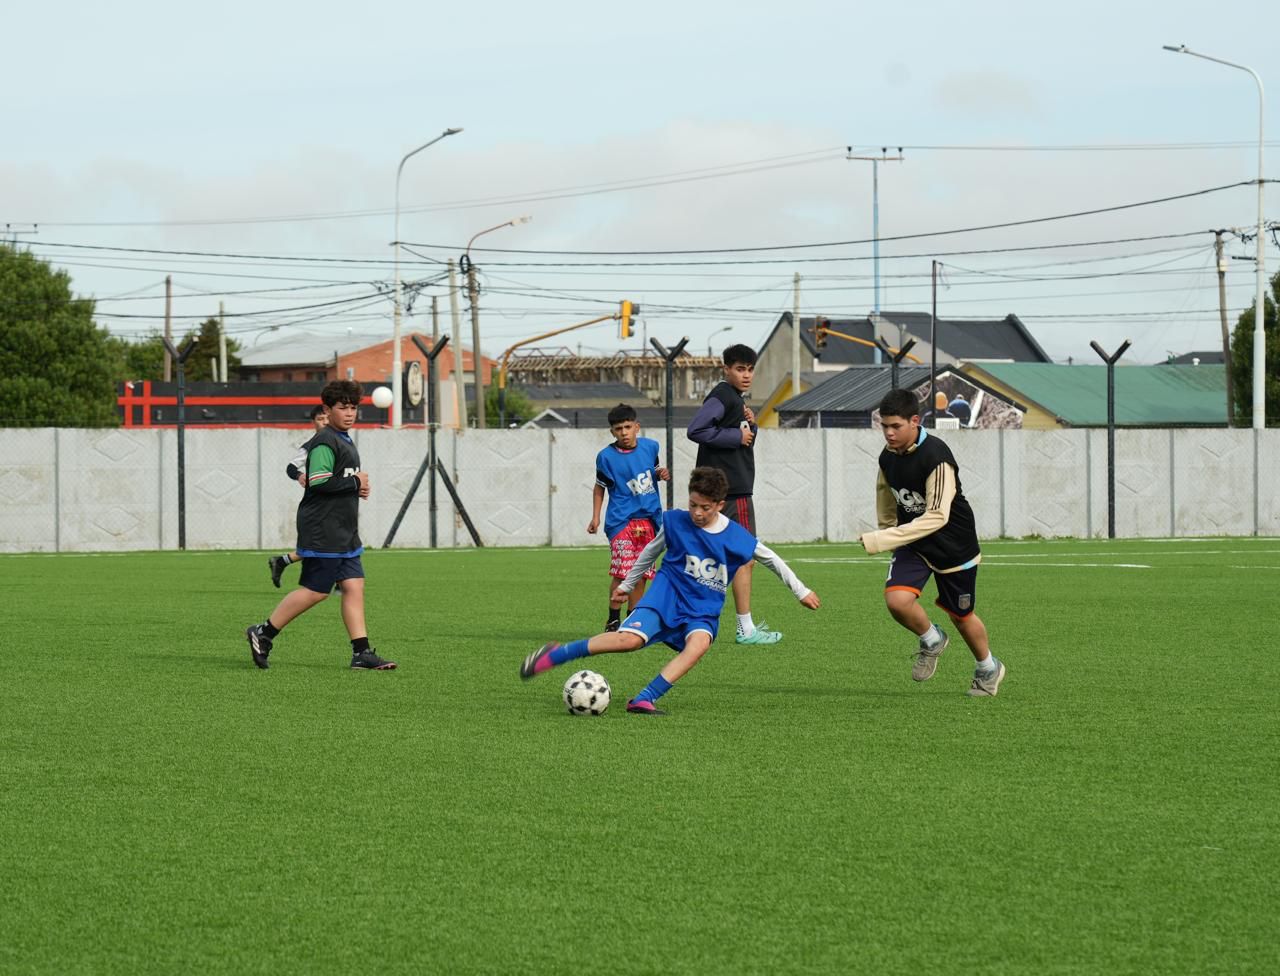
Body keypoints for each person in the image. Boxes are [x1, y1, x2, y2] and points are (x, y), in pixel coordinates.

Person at [520, 467, 820, 714]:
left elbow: (771, 559)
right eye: (693, 505)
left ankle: (644, 698)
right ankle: (558, 654)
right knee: (628, 641)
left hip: (702, 608)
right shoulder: (676, 521)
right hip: (666, 596)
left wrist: (801, 591)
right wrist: (627, 585)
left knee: (699, 645)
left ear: (719, 504)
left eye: (705, 507)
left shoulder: (736, 536)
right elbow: (650, 551)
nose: (697, 513)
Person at [858, 388, 1006, 697]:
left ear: (915, 421)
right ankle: (931, 640)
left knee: (961, 617)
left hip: (954, 547)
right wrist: (888, 531)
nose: (888, 432)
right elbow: (885, 495)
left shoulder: (936, 457)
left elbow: (938, 515)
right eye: (884, 425)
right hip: (914, 543)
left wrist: (883, 538)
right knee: (897, 601)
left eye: (895, 426)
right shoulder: (887, 456)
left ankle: (988, 668)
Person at [244, 380, 396, 671]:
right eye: (342, 408)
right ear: (328, 410)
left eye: (353, 408)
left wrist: (357, 488)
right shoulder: (326, 440)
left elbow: (340, 480)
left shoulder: (345, 439)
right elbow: (318, 481)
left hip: (343, 529)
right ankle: (263, 633)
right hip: (323, 527)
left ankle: (361, 653)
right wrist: (354, 482)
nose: (349, 413)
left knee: (353, 586)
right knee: (316, 591)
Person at [686, 343, 778, 645]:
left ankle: (679, 619)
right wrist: (737, 434)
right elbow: (696, 430)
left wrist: (748, 426)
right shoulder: (723, 396)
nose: (747, 374)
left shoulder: (734, 399)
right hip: (732, 491)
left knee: (698, 555)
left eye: (750, 369)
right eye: (740, 368)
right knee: (745, 558)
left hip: (724, 489)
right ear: (726, 369)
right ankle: (746, 629)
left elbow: (743, 438)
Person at [587, 403, 669, 631]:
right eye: (618, 429)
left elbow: (652, 473)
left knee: (641, 573)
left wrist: (660, 473)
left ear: (637, 427)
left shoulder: (651, 447)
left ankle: (632, 620)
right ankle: (613, 617)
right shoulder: (606, 457)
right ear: (612, 432)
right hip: (621, 521)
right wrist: (595, 517)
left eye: (627, 427)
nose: (623, 433)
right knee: (623, 571)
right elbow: (599, 487)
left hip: (650, 519)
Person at [268, 403, 329, 587]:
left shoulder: (341, 442)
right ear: (313, 423)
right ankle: (340, 583)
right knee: (323, 546)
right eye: (320, 419)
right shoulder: (311, 446)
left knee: (331, 544)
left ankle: (281, 561)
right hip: (318, 505)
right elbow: (291, 467)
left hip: (337, 502)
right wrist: (300, 475)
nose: (325, 422)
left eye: (327, 418)